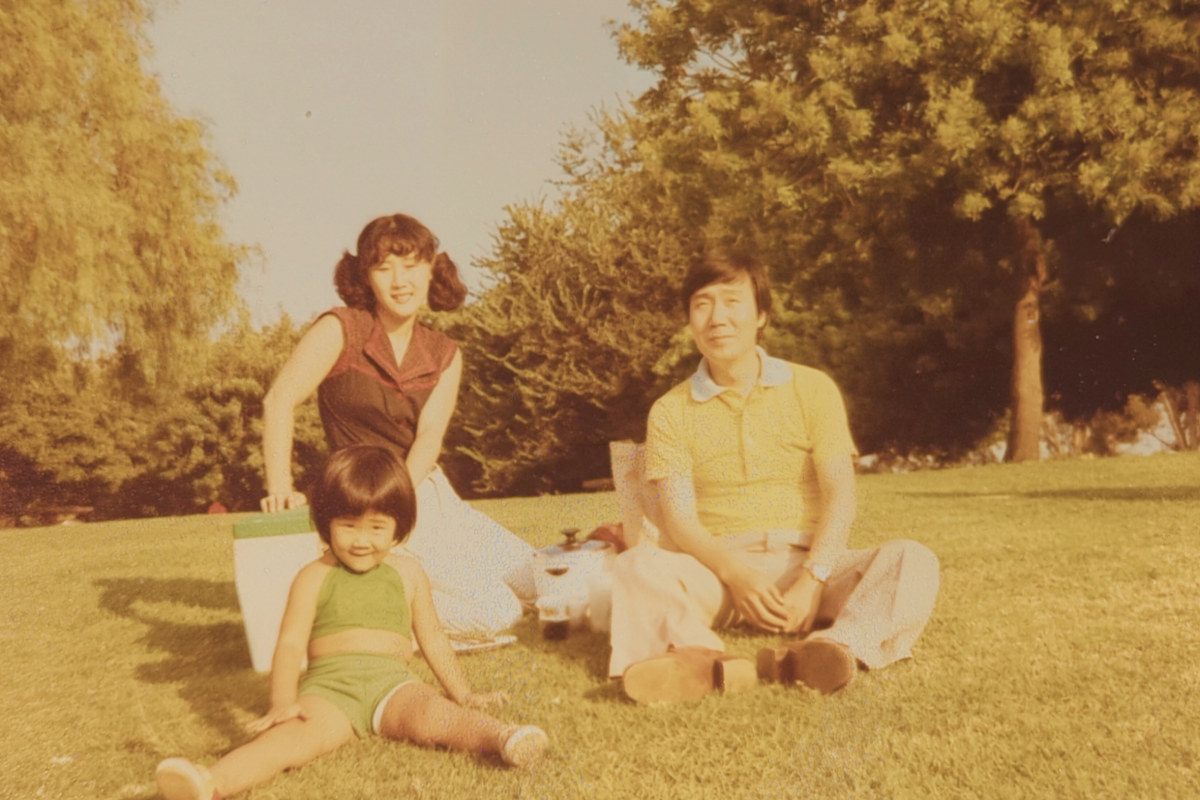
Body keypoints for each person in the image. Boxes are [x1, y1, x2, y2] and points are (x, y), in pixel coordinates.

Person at [609, 249, 941, 703]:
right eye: (702, 305)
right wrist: (737, 575)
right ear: (689, 321)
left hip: (809, 562)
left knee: (913, 559)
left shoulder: (813, 388)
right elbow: (680, 519)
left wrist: (813, 579)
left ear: (761, 315)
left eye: (732, 301)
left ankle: (827, 649)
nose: (717, 318)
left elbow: (840, 493)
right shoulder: (670, 410)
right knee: (636, 565)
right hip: (717, 574)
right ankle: (700, 660)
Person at [155, 446, 549, 800]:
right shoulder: (312, 575)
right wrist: (282, 702)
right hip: (329, 692)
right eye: (348, 525)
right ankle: (208, 783)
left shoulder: (409, 573)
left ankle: (501, 737)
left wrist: (462, 693)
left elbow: (431, 636)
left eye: (377, 527)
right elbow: (291, 643)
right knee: (287, 741)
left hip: (394, 686)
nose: (362, 540)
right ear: (325, 522)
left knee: (435, 716)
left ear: (400, 526)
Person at [260, 213, 535, 642]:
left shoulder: (445, 352)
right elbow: (278, 401)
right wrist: (279, 488)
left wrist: (401, 496)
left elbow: (429, 437)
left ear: (432, 270)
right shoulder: (341, 328)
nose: (399, 281)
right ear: (365, 277)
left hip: (425, 491)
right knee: (496, 611)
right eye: (383, 268)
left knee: (544, 577)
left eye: (410, 266)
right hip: (364, 496)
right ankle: (370, 615)